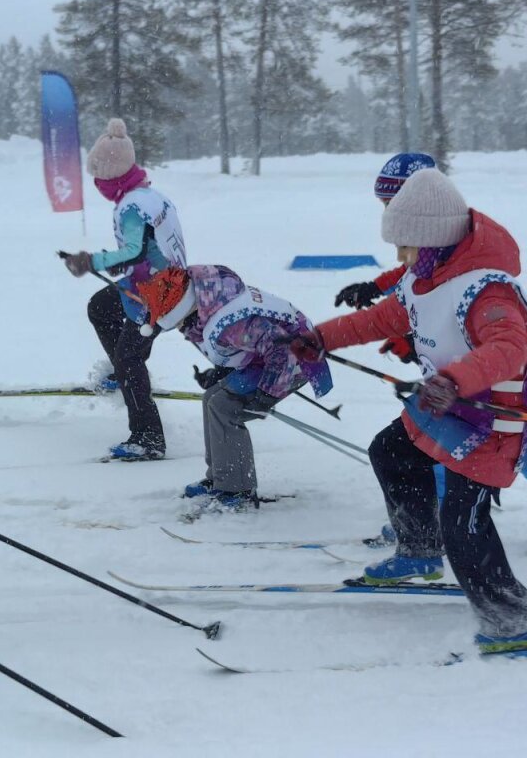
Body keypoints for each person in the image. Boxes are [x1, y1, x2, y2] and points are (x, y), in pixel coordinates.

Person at [290, 168, 527, 652]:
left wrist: (454, 379)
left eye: (407, 247)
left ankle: (512, 624)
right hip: (446, 407)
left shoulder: (486, 290)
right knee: (391, 451)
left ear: (435, 238)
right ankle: (419, 551)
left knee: (464, 523)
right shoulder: (424, 278)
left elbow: (511, 346)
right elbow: (382, 318)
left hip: (491, 420)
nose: (401, 259)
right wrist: (321, 337)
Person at [337, 153, 527, 550]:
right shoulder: (425, 232)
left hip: (496, 362)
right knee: (448, 436)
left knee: (506, 440)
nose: (387, 212)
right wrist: (377, 289)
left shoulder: (449, 232)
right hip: (456, 359)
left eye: (391, 202)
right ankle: (423, 524)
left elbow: (451, 293)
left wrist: (414, 337)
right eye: (384, 204)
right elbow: (414, 279)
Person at [136, 265, 332, 516]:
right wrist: (222, 371)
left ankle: (236, 489)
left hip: (296, 361)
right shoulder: (209, 294)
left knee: (225, 407)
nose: (182, 327)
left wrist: (268, 393)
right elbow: (249, 345)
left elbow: (280, 349)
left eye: (179, 322)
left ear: (181, 309)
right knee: (212, 398)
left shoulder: (231, 323)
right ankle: (221, 476)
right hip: (270, 358)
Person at [61, 118, 187, 461]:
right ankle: (122, 374)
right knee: (101, 307)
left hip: (159, 295)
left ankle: (148, 439)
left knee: (130, 357)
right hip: (161, 282)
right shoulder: (148, 194)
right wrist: (123, 264)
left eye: (98, 177)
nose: (97, 184)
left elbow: (132, 249)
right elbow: (148, 246)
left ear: (112, 176)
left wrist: (93, 261)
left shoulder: (130, 206)